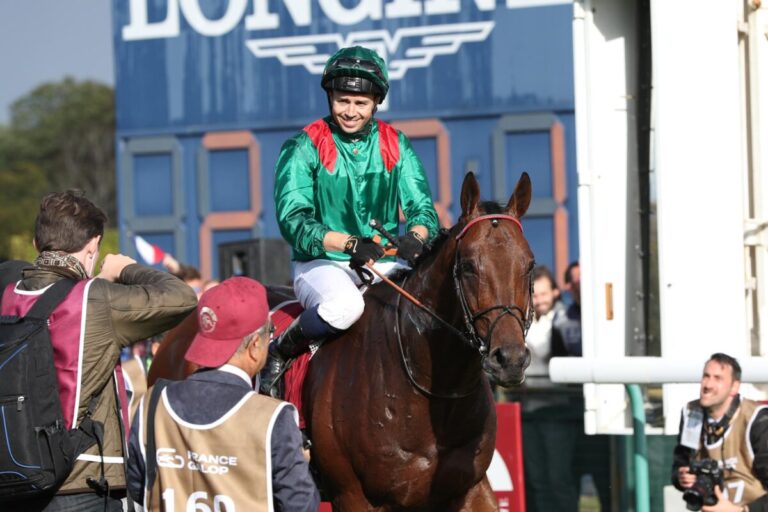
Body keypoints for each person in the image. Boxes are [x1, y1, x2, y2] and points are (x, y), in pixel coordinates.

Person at [0, 190, 197, 510]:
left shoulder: (8, 294)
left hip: (15, 477)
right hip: (82, 483)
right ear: (94, 244)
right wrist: (125, 270)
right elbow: (183, 297)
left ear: (37, 245)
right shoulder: (96, 300)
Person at [264, 45, 439, 392]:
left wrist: (416, 237)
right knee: (346, 306)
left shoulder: (396, 144)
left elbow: (422, 209)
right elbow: (293, 220)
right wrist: (348, 243)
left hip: (382, 264)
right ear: (330, 97)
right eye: (343, 100)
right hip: (321, 264)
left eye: (360, 103)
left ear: (376, 102)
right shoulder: (303, 146)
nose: (350, 111)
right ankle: (279, 352)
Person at [127, 277, 320, 511]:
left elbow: (139, 487)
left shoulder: (153, 403)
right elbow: (300, 505)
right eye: (270, 332)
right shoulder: (274, 418)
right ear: (254, 345)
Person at [514, 265, 581, 512]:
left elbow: (547, 353)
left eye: (543, 293)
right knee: (537, 479)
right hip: (529, 409)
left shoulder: (564, 319)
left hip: (558, 409)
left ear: (555, 292)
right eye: (534, 294)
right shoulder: (525, 320)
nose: (539, 299)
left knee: (558, 478)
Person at [672, 353, 768, 511]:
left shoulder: (757, 420)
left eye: (718, 378)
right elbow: (679, 465)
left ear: (735, 387)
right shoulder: (692, 414)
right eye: (706, 376)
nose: (708, 385)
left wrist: (743, 511)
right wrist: (681, 478)